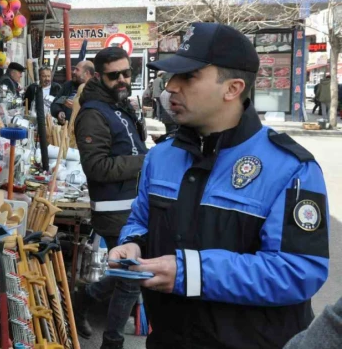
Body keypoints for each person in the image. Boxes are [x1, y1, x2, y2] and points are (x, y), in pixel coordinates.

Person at [110, 22, 329, 349]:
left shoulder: (291, 167)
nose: (171, 87)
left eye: (189, 76)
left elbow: (299, 271)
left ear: (233, 88)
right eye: (171, 76)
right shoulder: (161, 157)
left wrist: (190, 272)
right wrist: (132, 245)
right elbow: (140, 222)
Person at [72, 48, 147, 349]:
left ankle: (82, 298)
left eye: (126, 73)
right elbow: (97, 167)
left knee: (125, 276)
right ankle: (112, 343)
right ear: (98, 76)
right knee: (131, 280)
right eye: (114, 75)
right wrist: (146, 161)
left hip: (134, 208)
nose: (122, 80)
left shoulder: (119, 105)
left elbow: (129, 148)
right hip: (114, 213)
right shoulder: (93, 113)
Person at [52, 60, 95, 125]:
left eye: (77, 70)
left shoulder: (95, 90)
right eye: (74, 69)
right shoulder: (68, 86)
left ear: (86, 73)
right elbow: (56, 103)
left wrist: (76, 107)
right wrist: (59, 112)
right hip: (65, 130)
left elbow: (95, 113)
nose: (73, 72)